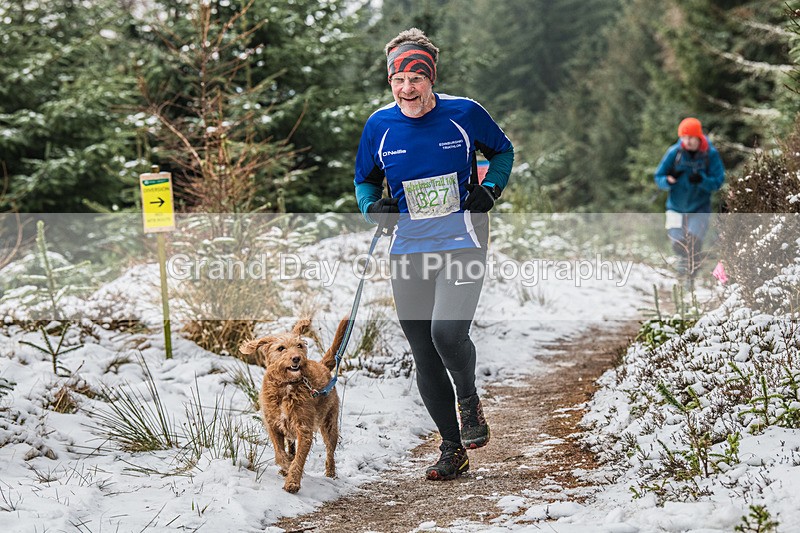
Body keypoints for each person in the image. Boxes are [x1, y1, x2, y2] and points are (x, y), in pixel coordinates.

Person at [353, 28, 514, 481]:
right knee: (423, 350)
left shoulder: (464, 114)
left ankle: (468, 399)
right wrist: (373, 208)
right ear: (390, 82)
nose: (407, 89)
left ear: (431, 78)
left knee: (447, 332)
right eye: (398, 79)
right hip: (408, 249)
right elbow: (365, 181)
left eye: (416, 78)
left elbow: (502, 150)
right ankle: (451, 448)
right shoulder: (379, 126)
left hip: (462, 240)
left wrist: (491, 189)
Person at [654, 117, 725, 288]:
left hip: (699, 208)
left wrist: (702, 179)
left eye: (691, 138)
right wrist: (669, 180)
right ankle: (684, 268)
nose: (687, 142)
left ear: (699, 137)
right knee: (677, 243)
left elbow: (718, 182)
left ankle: (690, 279)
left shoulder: (710, 154)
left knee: (693, 242)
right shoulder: (675, 153)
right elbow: (659, 177)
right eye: (684, 138)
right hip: (675, 207)